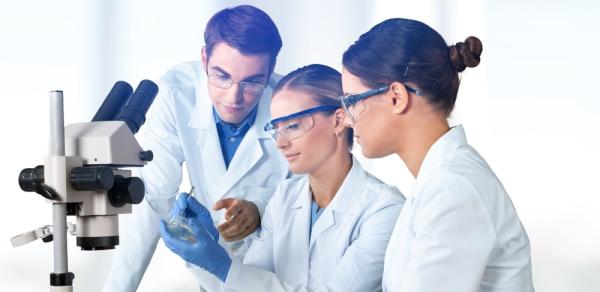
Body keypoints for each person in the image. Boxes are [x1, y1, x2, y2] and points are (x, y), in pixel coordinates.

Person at [160, 64, 406, 291]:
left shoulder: (384, 209)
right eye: (277, 128)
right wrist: (209, 249)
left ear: (339, 120)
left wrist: (222, 266)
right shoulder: (285, 196)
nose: (280, 143)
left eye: (294, 126)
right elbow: (250, 280)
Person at [338, 18, 535, 292]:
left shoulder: (452, 189)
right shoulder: (439, 182)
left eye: (352, 101)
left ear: (396, 96)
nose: (347, 120)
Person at [102, 5, 289, 292]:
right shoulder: (177, 93)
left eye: (252, 82)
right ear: (204, 59)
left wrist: (261, 210)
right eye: (222, 76)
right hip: (210, 272)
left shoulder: (291, 107)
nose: (234, 97)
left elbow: (310, 196)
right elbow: (153, 198)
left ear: (270, 71)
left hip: (278, 271)